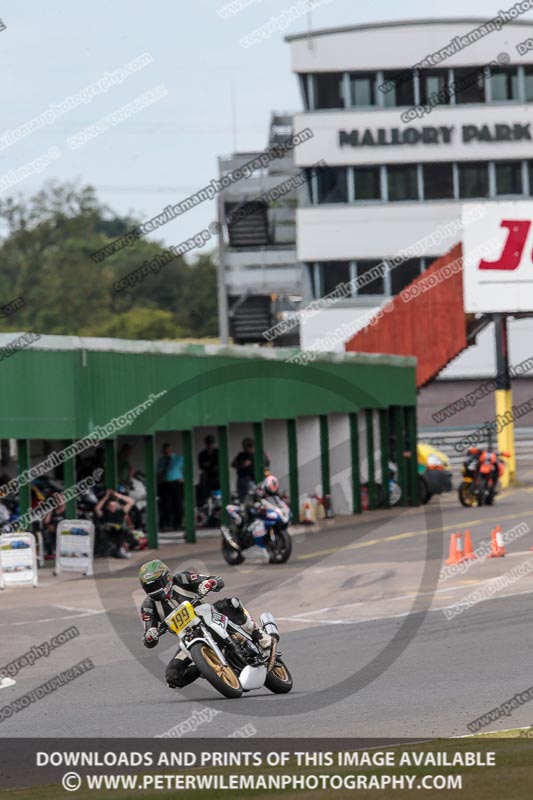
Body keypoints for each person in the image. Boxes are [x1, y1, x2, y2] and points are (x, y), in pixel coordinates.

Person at [138, 560, 272, 689]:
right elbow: (148, 639)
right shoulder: (148, 606)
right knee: (172, 676)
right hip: (188, 638)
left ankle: (259, 635)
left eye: (157, 585)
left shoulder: (182, 578)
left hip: (209, 615)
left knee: (233, 603)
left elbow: (216, 580)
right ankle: (206, 666)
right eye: (149, 587)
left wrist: (208, 583)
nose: (154, 590)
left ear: (167, 578)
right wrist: (150, 635)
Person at [95, 488, 136, 559]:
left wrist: (118, 495)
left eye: (114, 505)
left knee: (125, 532)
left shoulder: (121, 512)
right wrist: (106, 497)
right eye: (110, 505)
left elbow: (131, 502)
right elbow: (97, 509)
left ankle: (120, 550)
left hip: (119, 532)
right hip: (107, 532)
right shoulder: (105, 513)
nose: (112, 507)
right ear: (108, 506)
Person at [231, 437, 270, 503]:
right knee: (243, 498)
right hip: (242, 479)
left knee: (255, 498)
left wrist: (267, 477)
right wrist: (242, 465)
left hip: (254, 480)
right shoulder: (242, 455)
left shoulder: (260, 454)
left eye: (245, 447)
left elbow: (266, 467)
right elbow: (233, 464)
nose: (244, 449)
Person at [157, 443, 184, 531]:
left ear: (171, 450)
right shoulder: (162, 460)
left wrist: (183, 477)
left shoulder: (179, 458)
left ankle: (178, 523)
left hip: (176, 482)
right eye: (164, 451)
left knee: (178, 504)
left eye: (167, 450)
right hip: (165, 483)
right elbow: (159, 472)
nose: (166, 452)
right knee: (166, 504)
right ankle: (167, 524)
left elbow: (186, 468)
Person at [197, 434, 219, 506]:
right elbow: (201, 466)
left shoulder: (217, 452)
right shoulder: (202, 454)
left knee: (218, 495)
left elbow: (218, 465)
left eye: (211, 443)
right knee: (206, 495)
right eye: (208, 443)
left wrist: (209, 465)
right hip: (207, 477)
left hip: (217, 477)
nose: (210, 445)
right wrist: (211, 465)